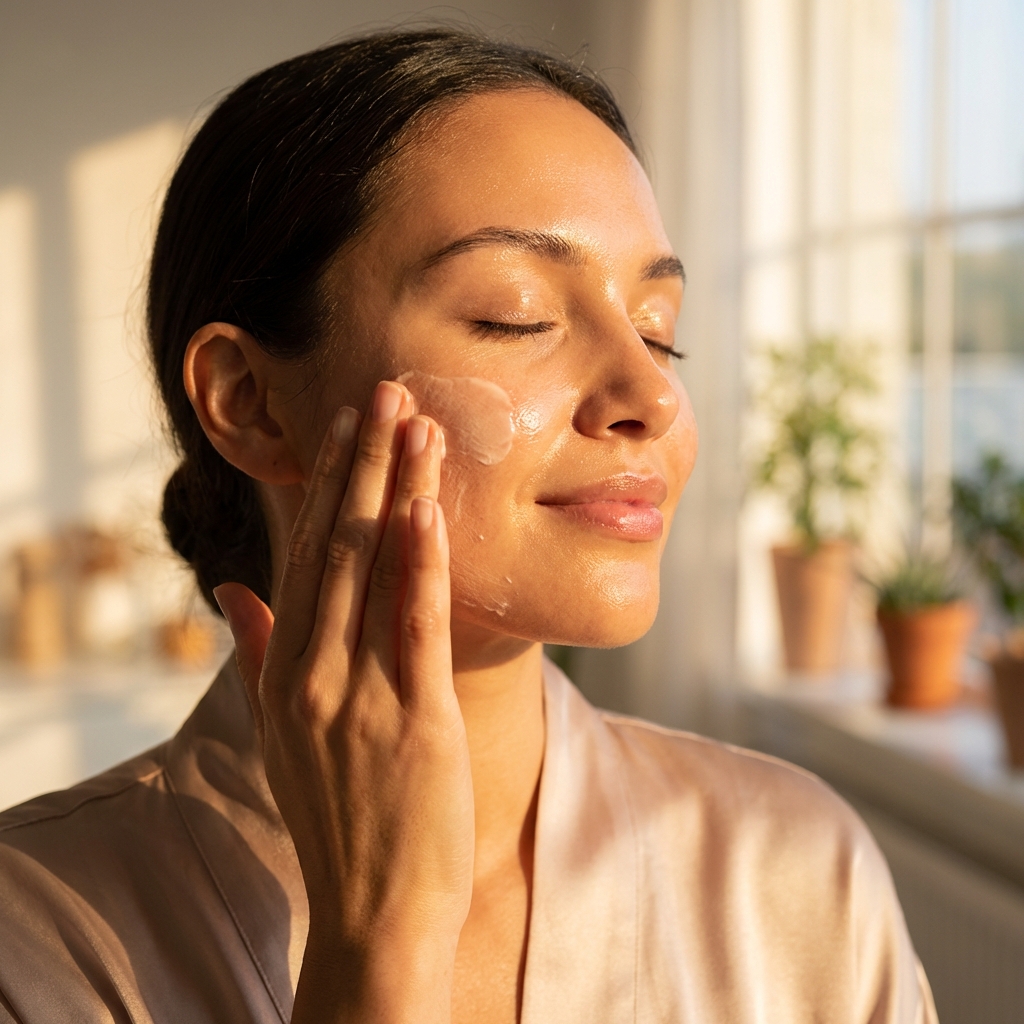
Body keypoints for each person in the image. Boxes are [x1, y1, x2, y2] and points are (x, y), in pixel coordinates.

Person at [0, 29, 936, 1024]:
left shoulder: (793, 870)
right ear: (249, 400)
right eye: (513, 314)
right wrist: (381, 944)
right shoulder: (37, 937)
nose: (649, 394)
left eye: (660, 329)